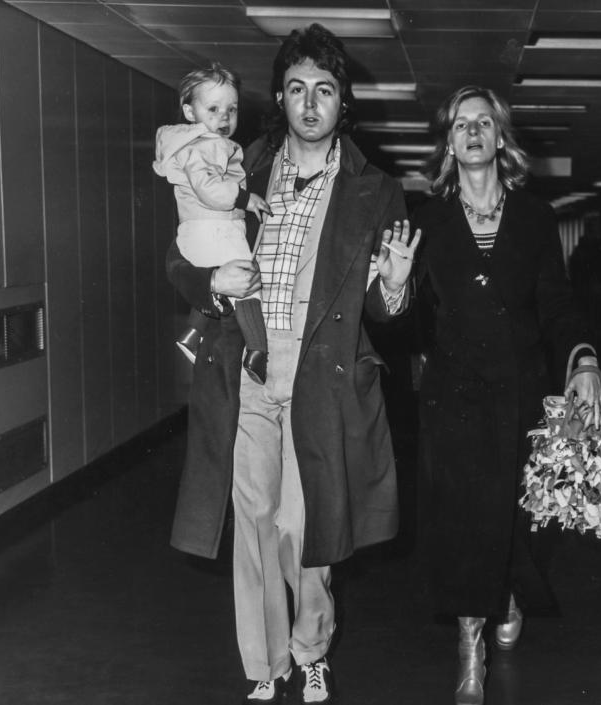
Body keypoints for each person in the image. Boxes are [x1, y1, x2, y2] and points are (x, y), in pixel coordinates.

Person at [165, 24, 420, 705]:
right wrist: (209, 284)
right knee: (250, 526)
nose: (310, 104)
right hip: (247, 375)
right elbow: (181, 254)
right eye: (298, 89)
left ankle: (311, 649)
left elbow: (383, 304)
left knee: (300, 531)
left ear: (343, 104)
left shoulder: (375, 190)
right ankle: (266, 665)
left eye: (325, 91)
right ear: (279, 97)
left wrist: (393, 286)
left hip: (318, 383)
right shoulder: (235, 165)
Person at [411, 85, 601, 705]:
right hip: (456, 398)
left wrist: (584, 361)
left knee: (519, 519)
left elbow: (557, 305)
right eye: (460, 123)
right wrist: (390, 292)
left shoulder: (535, 218)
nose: (472, 131)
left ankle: (512, 591)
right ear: (448, 142)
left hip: (523, 394)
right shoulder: (428, 222)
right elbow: (407, 322)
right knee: (465, 522)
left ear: (500, 138)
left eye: (484, 122)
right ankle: (471, 646)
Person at [153, 62, 272, 383]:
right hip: (213, 226)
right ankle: (258, 352)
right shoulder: (206, 146)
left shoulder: (196, 143)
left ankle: (192, 334)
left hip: (202, 229)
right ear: (190, 112)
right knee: (248, 287)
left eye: (231, 110)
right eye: (214, 108)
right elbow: (209, 190)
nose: (224, 117)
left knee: (223, 287)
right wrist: (246, 199)